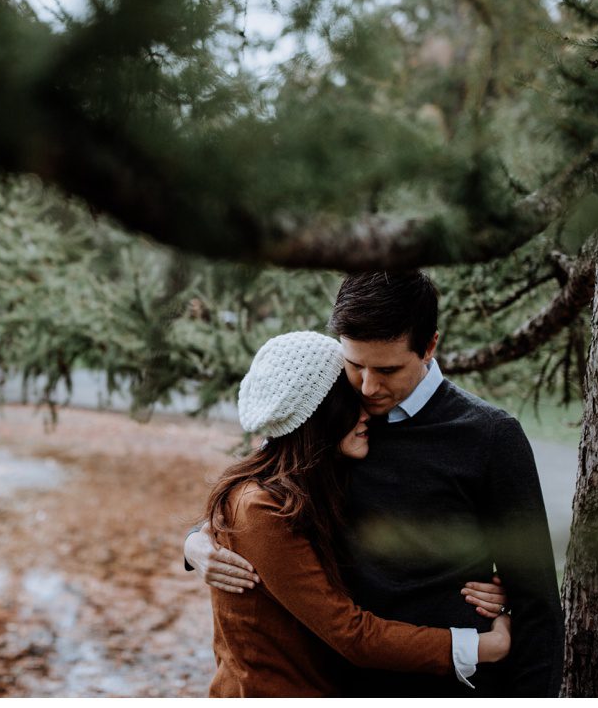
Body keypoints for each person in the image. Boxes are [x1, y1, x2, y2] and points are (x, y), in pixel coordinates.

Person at [188, 271, 563, 697]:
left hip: (451, 687)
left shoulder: (488, 436)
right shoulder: (328, 418)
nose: (369, 387)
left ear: (429, 347)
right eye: (355, 365)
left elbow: (537, 605)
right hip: (341, 683)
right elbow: (265, 486)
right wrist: (196, 543)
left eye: (387, 369)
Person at [207, 331, 511, 697]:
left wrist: (496, 585)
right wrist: (485, 647)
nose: (368, 408)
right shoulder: (259, 506)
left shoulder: (317, 482)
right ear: (319, 415)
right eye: (351, 399)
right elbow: (350, 633)